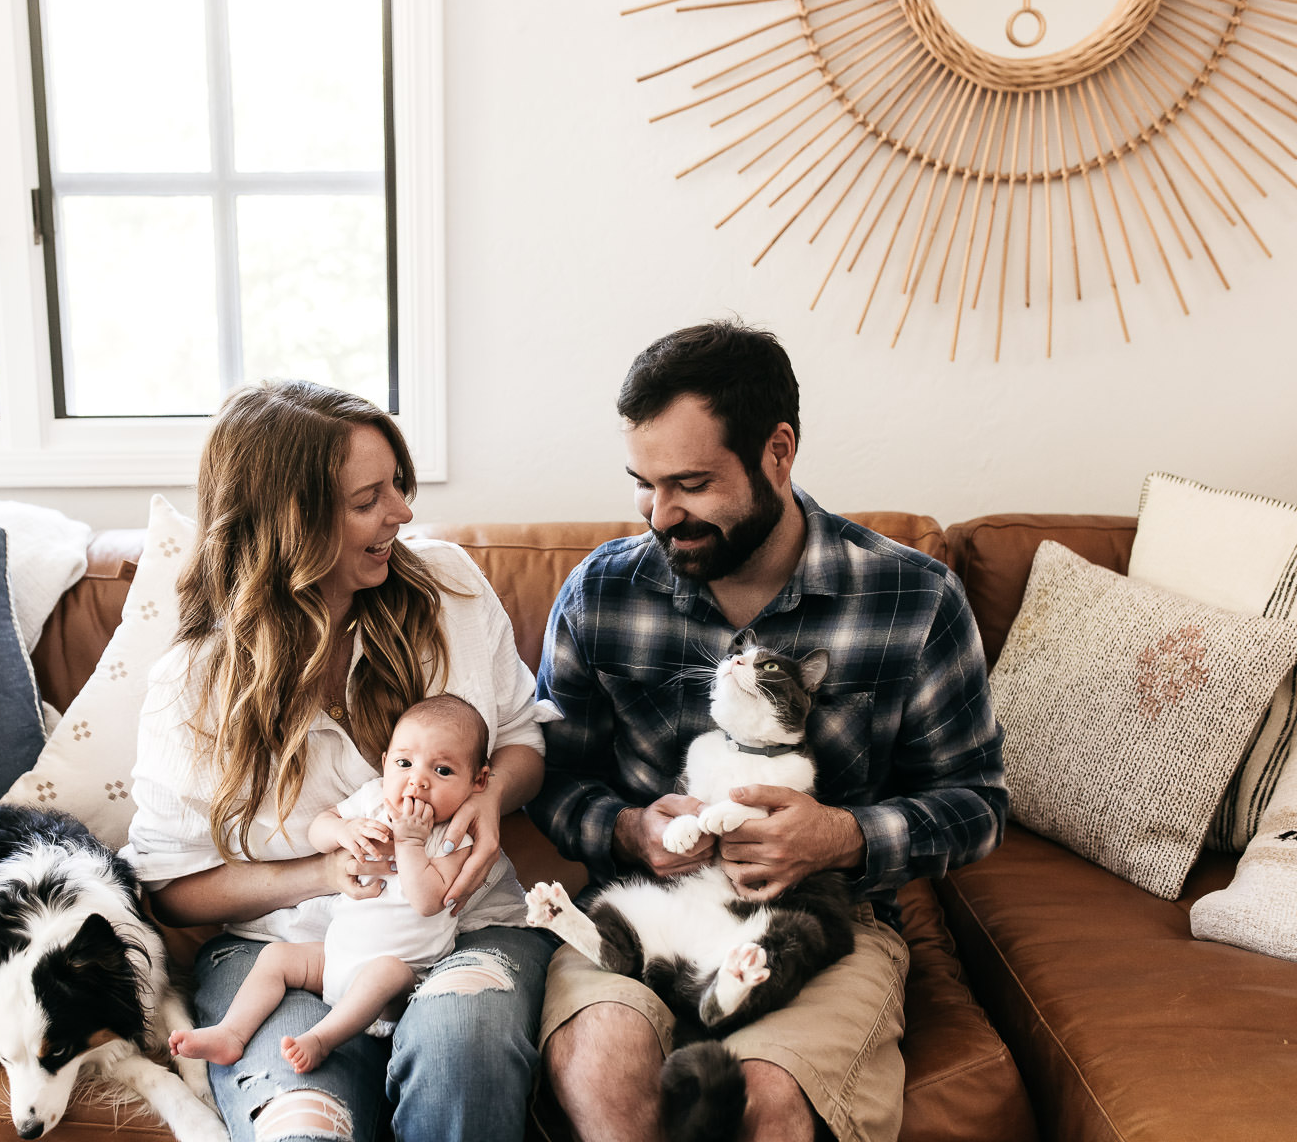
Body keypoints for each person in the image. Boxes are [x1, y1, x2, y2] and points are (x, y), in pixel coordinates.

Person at [526, 321, 1007, 1142]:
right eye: (643, 484)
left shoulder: (912, 597)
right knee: (605, 1067)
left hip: (819, 927)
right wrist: (629, 829)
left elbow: (977, 806)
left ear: (777, 452)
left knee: (765, 1101)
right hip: (648, 906)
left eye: (690, 484)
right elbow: (551, 778)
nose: (661, 515)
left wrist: (841, 836)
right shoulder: (600, 592)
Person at [125, 380, 556, 1142]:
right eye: (367, 500)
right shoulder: (193, 686)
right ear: (290, 526)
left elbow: (523, 739)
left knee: (462, 1051)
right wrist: (322, 873)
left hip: (467, 929)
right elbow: (172, 888)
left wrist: (491, 799)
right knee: (302, 1125)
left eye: (397, 485)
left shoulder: (451, 591)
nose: (402, 513)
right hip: (285, 949)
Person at [169, 694, 521, 1075]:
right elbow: (319, 828)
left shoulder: (457, 838)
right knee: (276, 958)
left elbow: (428, 901)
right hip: (336, 958)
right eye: (404, 763)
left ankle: (321, 1039)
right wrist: (342, 831)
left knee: (384, 971)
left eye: (442, 771)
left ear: (478, 781)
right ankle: (231, 1033)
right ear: (385, 763)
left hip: (400, 981)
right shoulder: (373, 800)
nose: (417, 781)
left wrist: (410, 843)